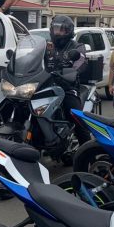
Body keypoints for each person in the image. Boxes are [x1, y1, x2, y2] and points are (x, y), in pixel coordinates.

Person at [44, 15, 89, 143]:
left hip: (68, 87)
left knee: (75, 115)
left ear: (68, 31)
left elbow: (81, 61)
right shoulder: (47, 45)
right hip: (46, 85)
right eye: (56, 29)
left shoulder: (76, 46)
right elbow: (32, 57)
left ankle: (87, 147)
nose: (57, 32)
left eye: (61, 30)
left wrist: (71, 72)